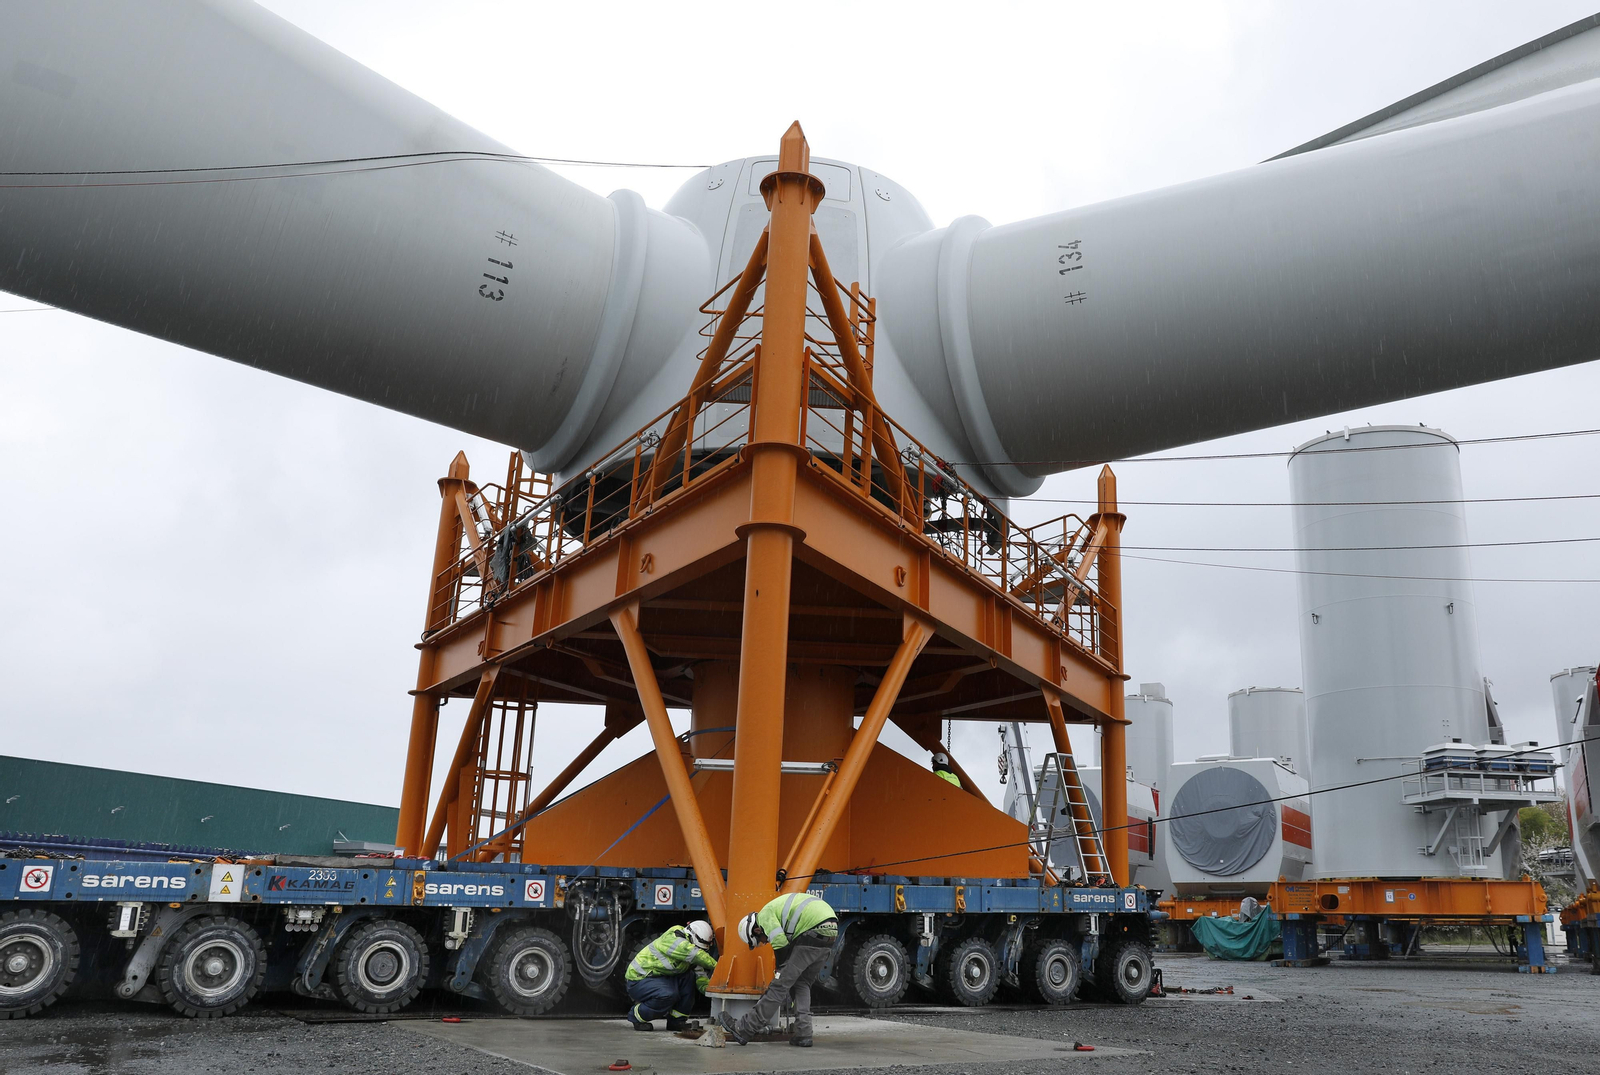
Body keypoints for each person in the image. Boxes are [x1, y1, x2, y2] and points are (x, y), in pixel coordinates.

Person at [718, 893, 837, 1048]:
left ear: (757, 930)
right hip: (830, 933)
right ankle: (804, 1033)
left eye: (761, 940)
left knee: (779, 986)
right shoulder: (778, 912)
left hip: (812, 931)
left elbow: (780, 942)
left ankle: (744, 1028)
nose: (765, 941)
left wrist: (780, 971)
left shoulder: (764, 915)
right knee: (802, 983)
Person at [624, 920, 717, 1031]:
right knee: (668, 994)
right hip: (638, 980)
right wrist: (720, 966)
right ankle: (636, 1016)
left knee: (689, 977)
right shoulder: (674, 939)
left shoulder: (690, 951)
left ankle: (676, 1021)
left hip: (659, 977)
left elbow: (700, 975)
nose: (700, 950)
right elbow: (694, 954)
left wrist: (712, 990)